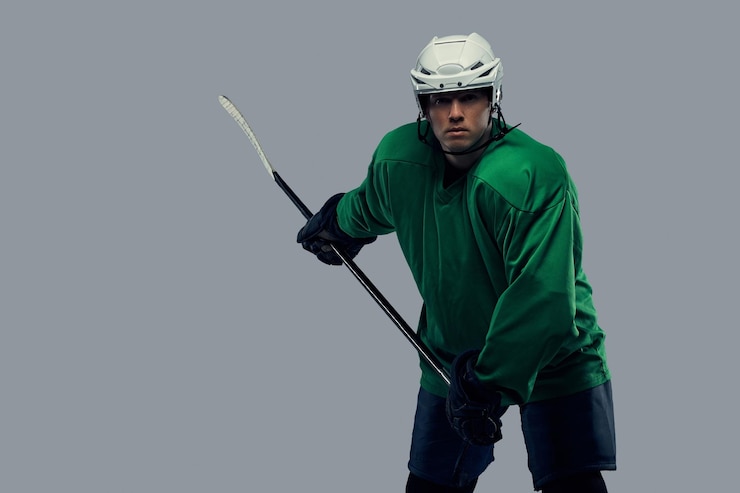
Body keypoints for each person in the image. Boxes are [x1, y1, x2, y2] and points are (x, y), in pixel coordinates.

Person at [297, 33, 616, 493]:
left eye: (469, 97)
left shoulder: (532, 175)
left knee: (574, 484)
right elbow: (371, 203)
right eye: (440, 99)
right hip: (450, 355)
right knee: (430, 486)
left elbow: (544, 299)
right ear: (423, 106)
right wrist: (338, 225)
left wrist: (488, 382)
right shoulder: (400, 160)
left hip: (555, 356)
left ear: (494, 98)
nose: (455, 113)